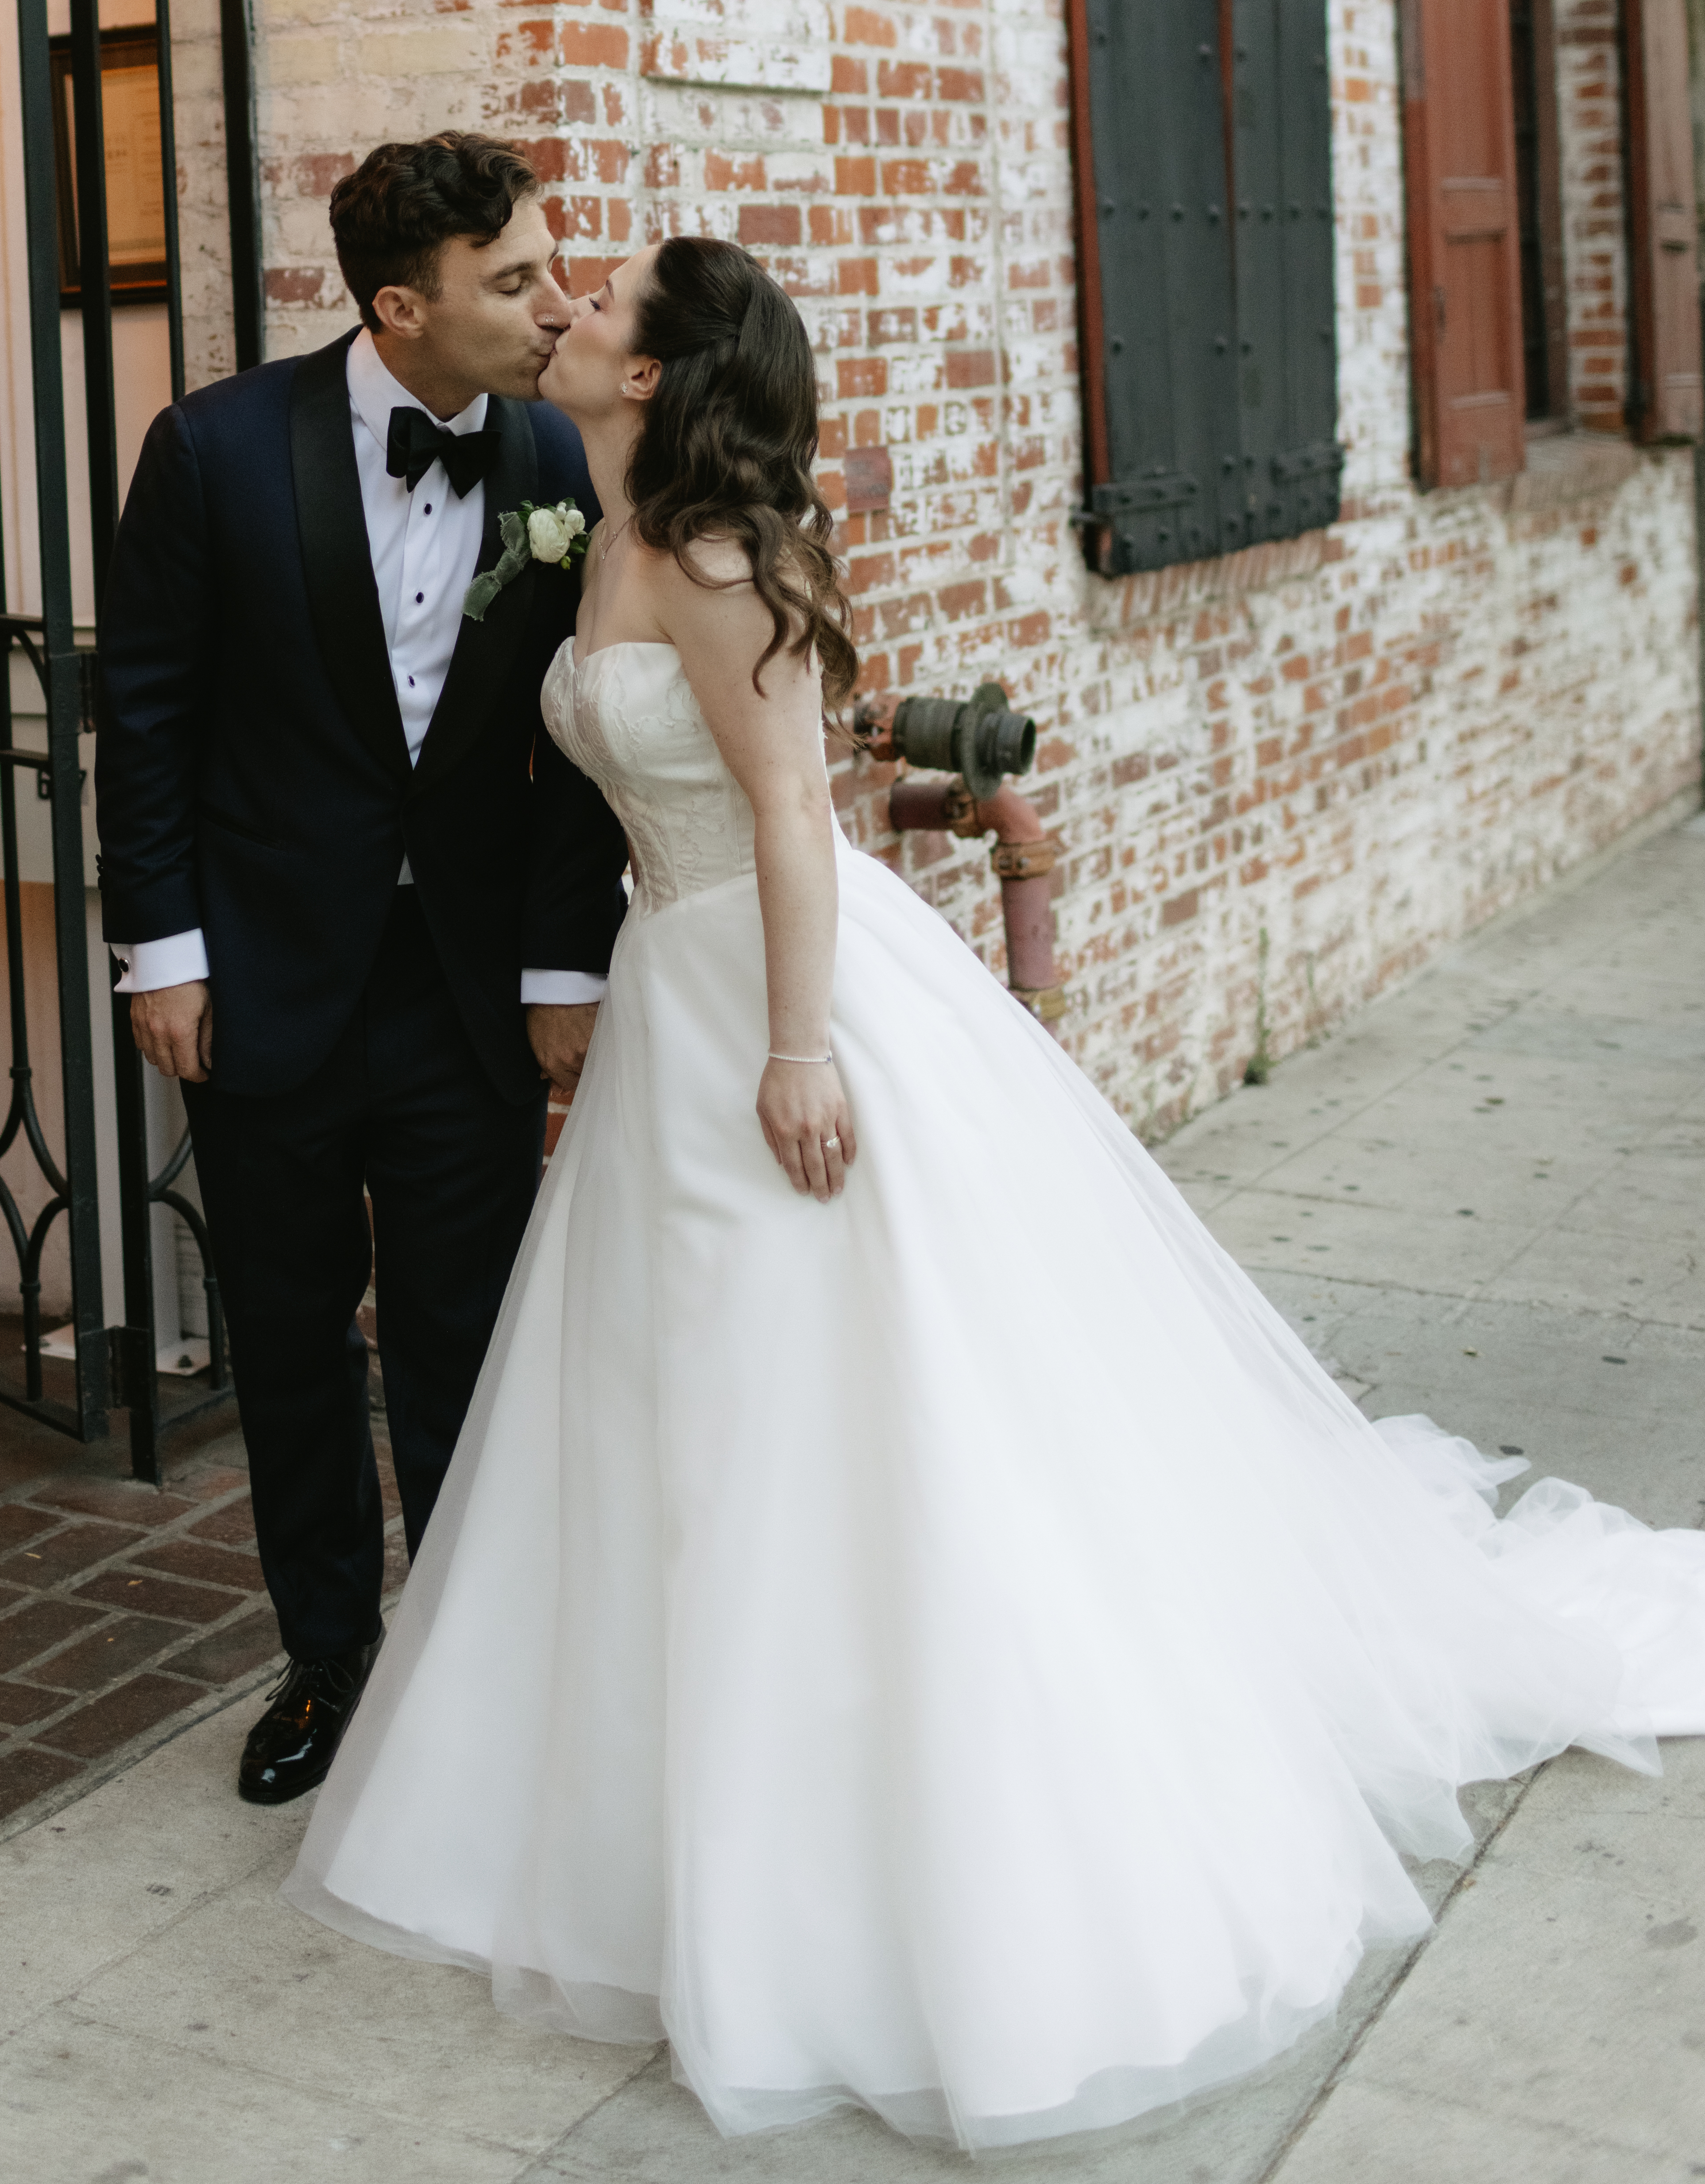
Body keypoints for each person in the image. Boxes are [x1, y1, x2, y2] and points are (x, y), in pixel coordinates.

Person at [286, 232, 1705, 2152]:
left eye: (601, 303)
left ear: (653, 374)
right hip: (671, 992)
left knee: (843, 1398)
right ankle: (685, 1813)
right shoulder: (603, 528)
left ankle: (906, 1845)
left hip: (775, 996)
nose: (567, 308)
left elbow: (792, 813)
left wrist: (798, 1049)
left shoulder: (714, 562)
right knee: (679, 1411)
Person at [95, 133, 626, 1806]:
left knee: (465, 1344)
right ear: (401, 307)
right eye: (516, 280)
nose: (556, 303)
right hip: (261, 980)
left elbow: (583, 757)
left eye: (549, 268)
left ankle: (467, 1680)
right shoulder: (215, 449)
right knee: (290, 1329)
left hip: (464, 988)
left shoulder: (559, 459)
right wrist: (161, 953)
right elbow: (148, 719)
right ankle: (325, 1658)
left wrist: (564, 972)